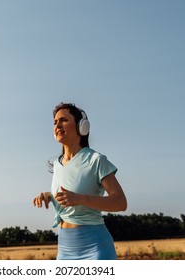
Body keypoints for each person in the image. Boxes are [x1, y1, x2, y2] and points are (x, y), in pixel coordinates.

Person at [32, 102, 127, 260]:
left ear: (82, 127)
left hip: (95, 248)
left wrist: (80, 199)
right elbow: (71, 191)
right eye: (55, 122)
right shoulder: (58, 164)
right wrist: (49, 195)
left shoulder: (96, 160)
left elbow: (120, 203)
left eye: (64, 120)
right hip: (64, 248)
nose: (58, 125)